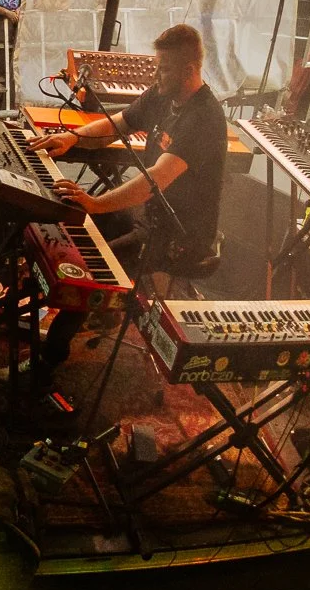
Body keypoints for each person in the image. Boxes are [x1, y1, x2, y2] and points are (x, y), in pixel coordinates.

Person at [26, 23, 226, 371]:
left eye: (164, 69)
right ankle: (75, 305)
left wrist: (97, 203)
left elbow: (154, 180)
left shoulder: (204, 118)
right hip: (149, 213)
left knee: (90, 271)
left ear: (189, 70)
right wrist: (73, 138)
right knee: (70, 215)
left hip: (180, 235)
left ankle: (44, 367)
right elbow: (119, 123)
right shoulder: (164, 94)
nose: (156, 75)